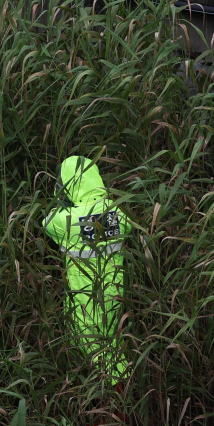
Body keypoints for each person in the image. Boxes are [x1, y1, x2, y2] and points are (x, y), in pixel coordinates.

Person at [44, 156, 133, 388]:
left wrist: (63, 201)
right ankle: (124, 398)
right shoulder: (117, 213)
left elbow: (47, 222)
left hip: (85, 302)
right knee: (112, 346)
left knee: (93, 357)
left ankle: (111, 406)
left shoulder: (66, 220)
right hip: (114, 297)